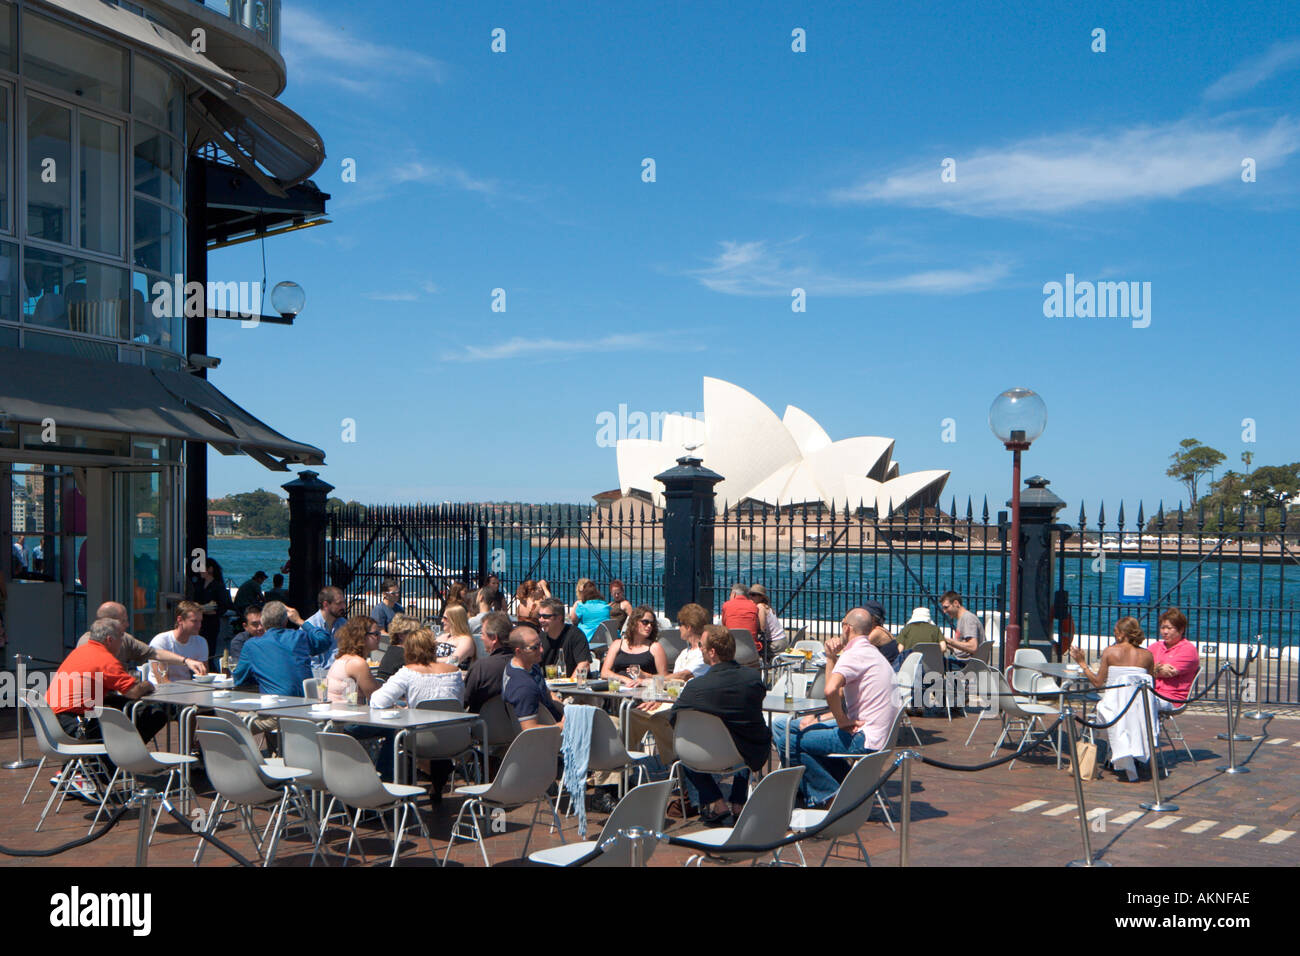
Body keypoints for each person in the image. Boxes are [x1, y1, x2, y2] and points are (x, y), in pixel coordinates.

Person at [772, 608, 902, 808]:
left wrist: (840, 721)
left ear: (847, 627)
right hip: (876, 734)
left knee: (788, 742)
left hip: (863, 736)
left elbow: (831, 690)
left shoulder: (855, 654)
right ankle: (837, 785)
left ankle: (828, 796)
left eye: (842, 623)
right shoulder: (871, 652)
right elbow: (839, 692)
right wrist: (831, 657)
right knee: (782, 725)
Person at [670, 626, 770, 826]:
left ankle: (716, 803)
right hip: (746, 752)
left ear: (712, 652)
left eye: (701, 646)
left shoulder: (696, 687)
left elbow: (675, 719)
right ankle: (738, 802)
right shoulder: (752, 680)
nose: (699, 649)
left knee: (684, 750)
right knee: (746, 734)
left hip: (703, 755)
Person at [370, 628, 466, 801]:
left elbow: (377, 701)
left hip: (420, 741)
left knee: (403, 736)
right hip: (456, 738)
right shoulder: (455, 671)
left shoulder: (408, 672)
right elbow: (458, 702)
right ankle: (437, 783)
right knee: (437, 723)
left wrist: (402, 707)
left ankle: (400, 797)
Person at [47, 619, 164, 743]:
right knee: (155, 715)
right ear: (109, 640)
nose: (122, 642)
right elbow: (133, 692)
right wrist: (148, 684)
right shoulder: (105, 659)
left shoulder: (80, 651)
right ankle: (124, 756)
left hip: (54, 722)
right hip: (75, 725)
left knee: (119, 705)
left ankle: (115, 755)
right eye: (121, 637)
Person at [1070, 617, 1156, 781]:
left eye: (1115, 631)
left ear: (1122, 634)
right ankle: (1131, 754)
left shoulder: (1110, 652)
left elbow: (1097, 683)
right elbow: (1151, 686)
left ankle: (1114, 755)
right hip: (1139, 710)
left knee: (1096, 709)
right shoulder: (1148, 656)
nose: (1114, 634)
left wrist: (1082, 663)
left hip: (1114, 708)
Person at [77, 601, 208, 676]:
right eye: (124, 621)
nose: (128, 624)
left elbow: (153, 653)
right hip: (91, 699)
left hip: (114, 692)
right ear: (110, 623)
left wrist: (186, 661)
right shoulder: (88, 643)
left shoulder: (125, 639)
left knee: (152, 716)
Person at [231, 601, 328, 696]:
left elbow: (239, 678)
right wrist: (299, 621)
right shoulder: (299, 637)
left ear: (263, 622)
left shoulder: (251, 645)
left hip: (274, 706)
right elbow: (324, 640)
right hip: (306, 702)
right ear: (286, 621)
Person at [502, 626, 565, 729]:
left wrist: (566, 711)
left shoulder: (532, 665)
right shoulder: (523, 687)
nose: (541, 650)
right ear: (518, 652)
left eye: (540, 644)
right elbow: (530, 730)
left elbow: (547, 693)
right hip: (547, 739)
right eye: (534, 648)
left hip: (555, 721)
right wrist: (566, 726)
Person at [601, 605, 667, 686]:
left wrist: (645, 676)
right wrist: (624, 679)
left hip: (643, 690)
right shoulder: (617, 644)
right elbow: (604, 672)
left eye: (652, 624)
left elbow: (664, 678)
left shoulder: (655, 647)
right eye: (645, 622)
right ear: (635, 622)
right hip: (619, 689)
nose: (649, 626)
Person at [462, 612, 514, 712]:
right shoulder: (524, 664)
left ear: (494, 638)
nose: (481, 638)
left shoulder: (481, 668)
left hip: (482, 724)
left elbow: (463, 701)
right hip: (516, 725)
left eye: (483, 634)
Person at [1150, 608, 1200, 711]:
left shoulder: (1188, 650)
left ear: (1181, 629)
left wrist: (1150, 669)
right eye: (1162, 628)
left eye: (1169, 628)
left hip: (1172, 698)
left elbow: (1168, 672)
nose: (1165, 632)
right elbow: (1140, 666)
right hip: (1151, 692)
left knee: (1142, 703)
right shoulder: (1155, 647)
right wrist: (1156, 668)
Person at [324, 616, 383, 703]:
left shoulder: (344, 657)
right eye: (376, 634)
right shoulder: (357, 663)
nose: (379, 637)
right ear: (362, 636)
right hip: (346, 714)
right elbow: (378, 698)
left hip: (338, 711)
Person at [149, 601, 209, 683]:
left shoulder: (201, 642)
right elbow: (162, 681)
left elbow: (204, 677)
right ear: (180, 620)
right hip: (161, 692)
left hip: (187, 689)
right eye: (194, 621)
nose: (199, 625)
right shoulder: (160, 641)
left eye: (200, 621)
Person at [537, 597, 591, 678]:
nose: (541, 620)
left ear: (559, 618)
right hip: (548, 686)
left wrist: (570, 685)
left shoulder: (575, 635)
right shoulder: (540, 637)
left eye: (545, 616)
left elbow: (584, 665)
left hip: (572, 686)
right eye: (539, 616)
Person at [191, 560, 234, 661]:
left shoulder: (218, 586)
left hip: (211, 622)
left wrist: (212, 612)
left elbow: (224, 605)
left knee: (209, 649)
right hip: (198, 620)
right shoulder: (199, 584)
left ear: (210, 569)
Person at [304, 586, 348, 669]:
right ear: (326, 605)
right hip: (319, 677)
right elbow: (312, 665)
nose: (343, 607)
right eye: (339, 603)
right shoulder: (309, 627)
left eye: (344, 603)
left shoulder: (344, 624)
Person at [666, 603, 711, 681]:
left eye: (680, 624)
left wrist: (649, 679)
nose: (678, 627)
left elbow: (683, 676)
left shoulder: (703, 653)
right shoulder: (685, 652)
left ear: (688, 627)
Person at [939, 590, 983, 665]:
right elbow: (963, 646)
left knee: (930, 663)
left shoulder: (967, 619)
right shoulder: (962, 619)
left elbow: (973, 647)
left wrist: (950, 641)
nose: (944, 611)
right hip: (962, 660)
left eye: (946, 607)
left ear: (956, 603)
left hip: (965, 664)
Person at [749, 584, 788, 655]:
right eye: (750, 594)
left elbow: (762, 628)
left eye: (754, 595)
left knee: (751, 650)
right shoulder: (767, 607)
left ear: (761, 597)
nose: (751, 597)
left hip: (775, 644)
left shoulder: (760, 607)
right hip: (782, 641)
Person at [863, 600, 901, 669]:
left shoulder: (877, 633)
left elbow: (858, 647)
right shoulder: (881, 630)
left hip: (889, 669)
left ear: (873, 618)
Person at [721, 582, 760, 647]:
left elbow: (724, 625)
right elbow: (757, 626)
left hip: (730, 648)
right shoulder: (753, 606)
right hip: (751, 649)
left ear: (734, 594)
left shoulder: (726, 605)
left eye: (729, 594)